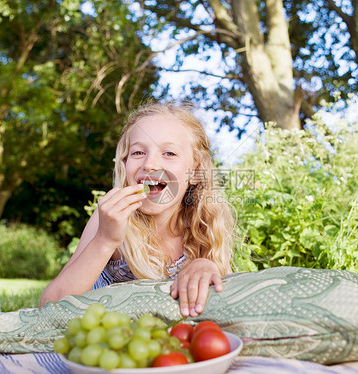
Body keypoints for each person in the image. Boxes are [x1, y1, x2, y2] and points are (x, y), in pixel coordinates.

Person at [39, 101, 235, 317]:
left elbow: (221, 312)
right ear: (124, 163)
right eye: (138, 153)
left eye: (169, 153)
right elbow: (50, 306)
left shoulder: (204, 226)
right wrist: (105, 241)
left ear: (196, 171)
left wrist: (206, 267)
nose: (149, 164)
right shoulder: (110, 221)